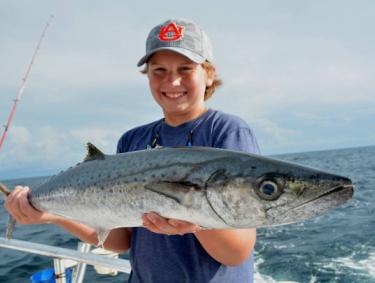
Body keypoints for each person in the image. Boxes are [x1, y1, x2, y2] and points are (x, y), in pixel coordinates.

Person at [4, 18, 260, 282]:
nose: (172, 82)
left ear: (208, 74)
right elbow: (120, 239)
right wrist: (50, 215)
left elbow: (236, 253)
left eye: (185, 68)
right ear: (147, 75)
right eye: (159, 70)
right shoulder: (133, 140)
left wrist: (193, 223)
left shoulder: (227, 132)